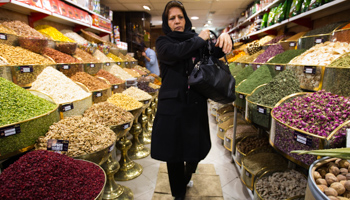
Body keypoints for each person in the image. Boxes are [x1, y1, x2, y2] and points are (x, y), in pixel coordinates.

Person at [150, 1, 233, 200]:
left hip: (195, 104)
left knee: (194, 150)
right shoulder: (163, 43)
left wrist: (224, 37)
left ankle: (188, 175)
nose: (177, 21)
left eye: (180, 17)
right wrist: (200, 39)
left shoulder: (199, 40)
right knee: (174, 154)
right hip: (172, 107)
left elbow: (214, 54)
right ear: (166, 22)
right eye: (172, 18)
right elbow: (177, 53)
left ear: (185, 19)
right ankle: (178, 194)